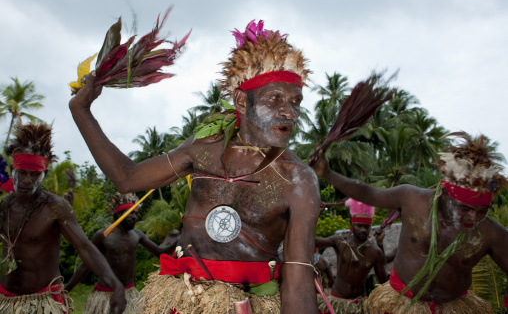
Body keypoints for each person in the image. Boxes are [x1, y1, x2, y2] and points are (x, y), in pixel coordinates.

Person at [69, 20, 321, 313]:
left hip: (250, 305)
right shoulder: (202, 150)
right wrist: (81, 111)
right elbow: (127, 178)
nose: (289, 112)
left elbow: (299, 276)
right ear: (242, 100)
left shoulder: (298, 179)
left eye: (296, 101)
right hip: (184, 300)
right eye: (274, 99)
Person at [312, 132, 508, 314]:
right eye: (465, 209)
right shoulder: (412, 200)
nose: (473, 218)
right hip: (402, 304)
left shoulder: (490, 232)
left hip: (453, 307)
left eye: (482, 211)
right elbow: (370, 194)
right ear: (446, 193)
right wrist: (328, 174)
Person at [0, 123, 126, 314]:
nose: (27, 180)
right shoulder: (4, 205)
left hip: (43, 301)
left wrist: (115, 284)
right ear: (12, 171)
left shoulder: (55, 207)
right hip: (5, 299)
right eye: (22, 173)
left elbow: (84, 247)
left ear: (45, 174)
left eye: (35, 175)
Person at [65, 192, 178, 313]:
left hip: (129, 294)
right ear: (118, 214)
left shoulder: (137, 234)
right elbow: (86, 265)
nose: (134, 216)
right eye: (130, 213)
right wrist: (66, 290)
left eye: (135, 213)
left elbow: (159, 252)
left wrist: (177, 241)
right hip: (105, 296)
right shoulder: (103, 236)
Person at [315, 198, 387, 314]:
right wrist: (316, 214)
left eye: (366, 227)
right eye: (359, 226)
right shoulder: (339, 242)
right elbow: (311, 241)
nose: (363, 230)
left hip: (360, 305)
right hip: (337, 302)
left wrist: (380, 243)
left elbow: (383, 282)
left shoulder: (375, 251)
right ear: (351, 224)